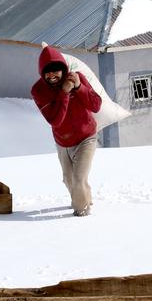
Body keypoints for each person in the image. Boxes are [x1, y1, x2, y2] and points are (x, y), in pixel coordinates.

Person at [30, 46, 102, 216]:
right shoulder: (38, 91)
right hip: (62, 141)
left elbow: (96, 106)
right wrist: (64, 93)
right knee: (68, 180)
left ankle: (81, 213)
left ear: (63, 69)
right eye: (47, 72)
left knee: (78, 180)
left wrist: (78, 87)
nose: (52, 76)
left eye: (55, 71)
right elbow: (55, 121)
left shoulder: (77, 78)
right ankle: (84, 198)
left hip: (86, 137)